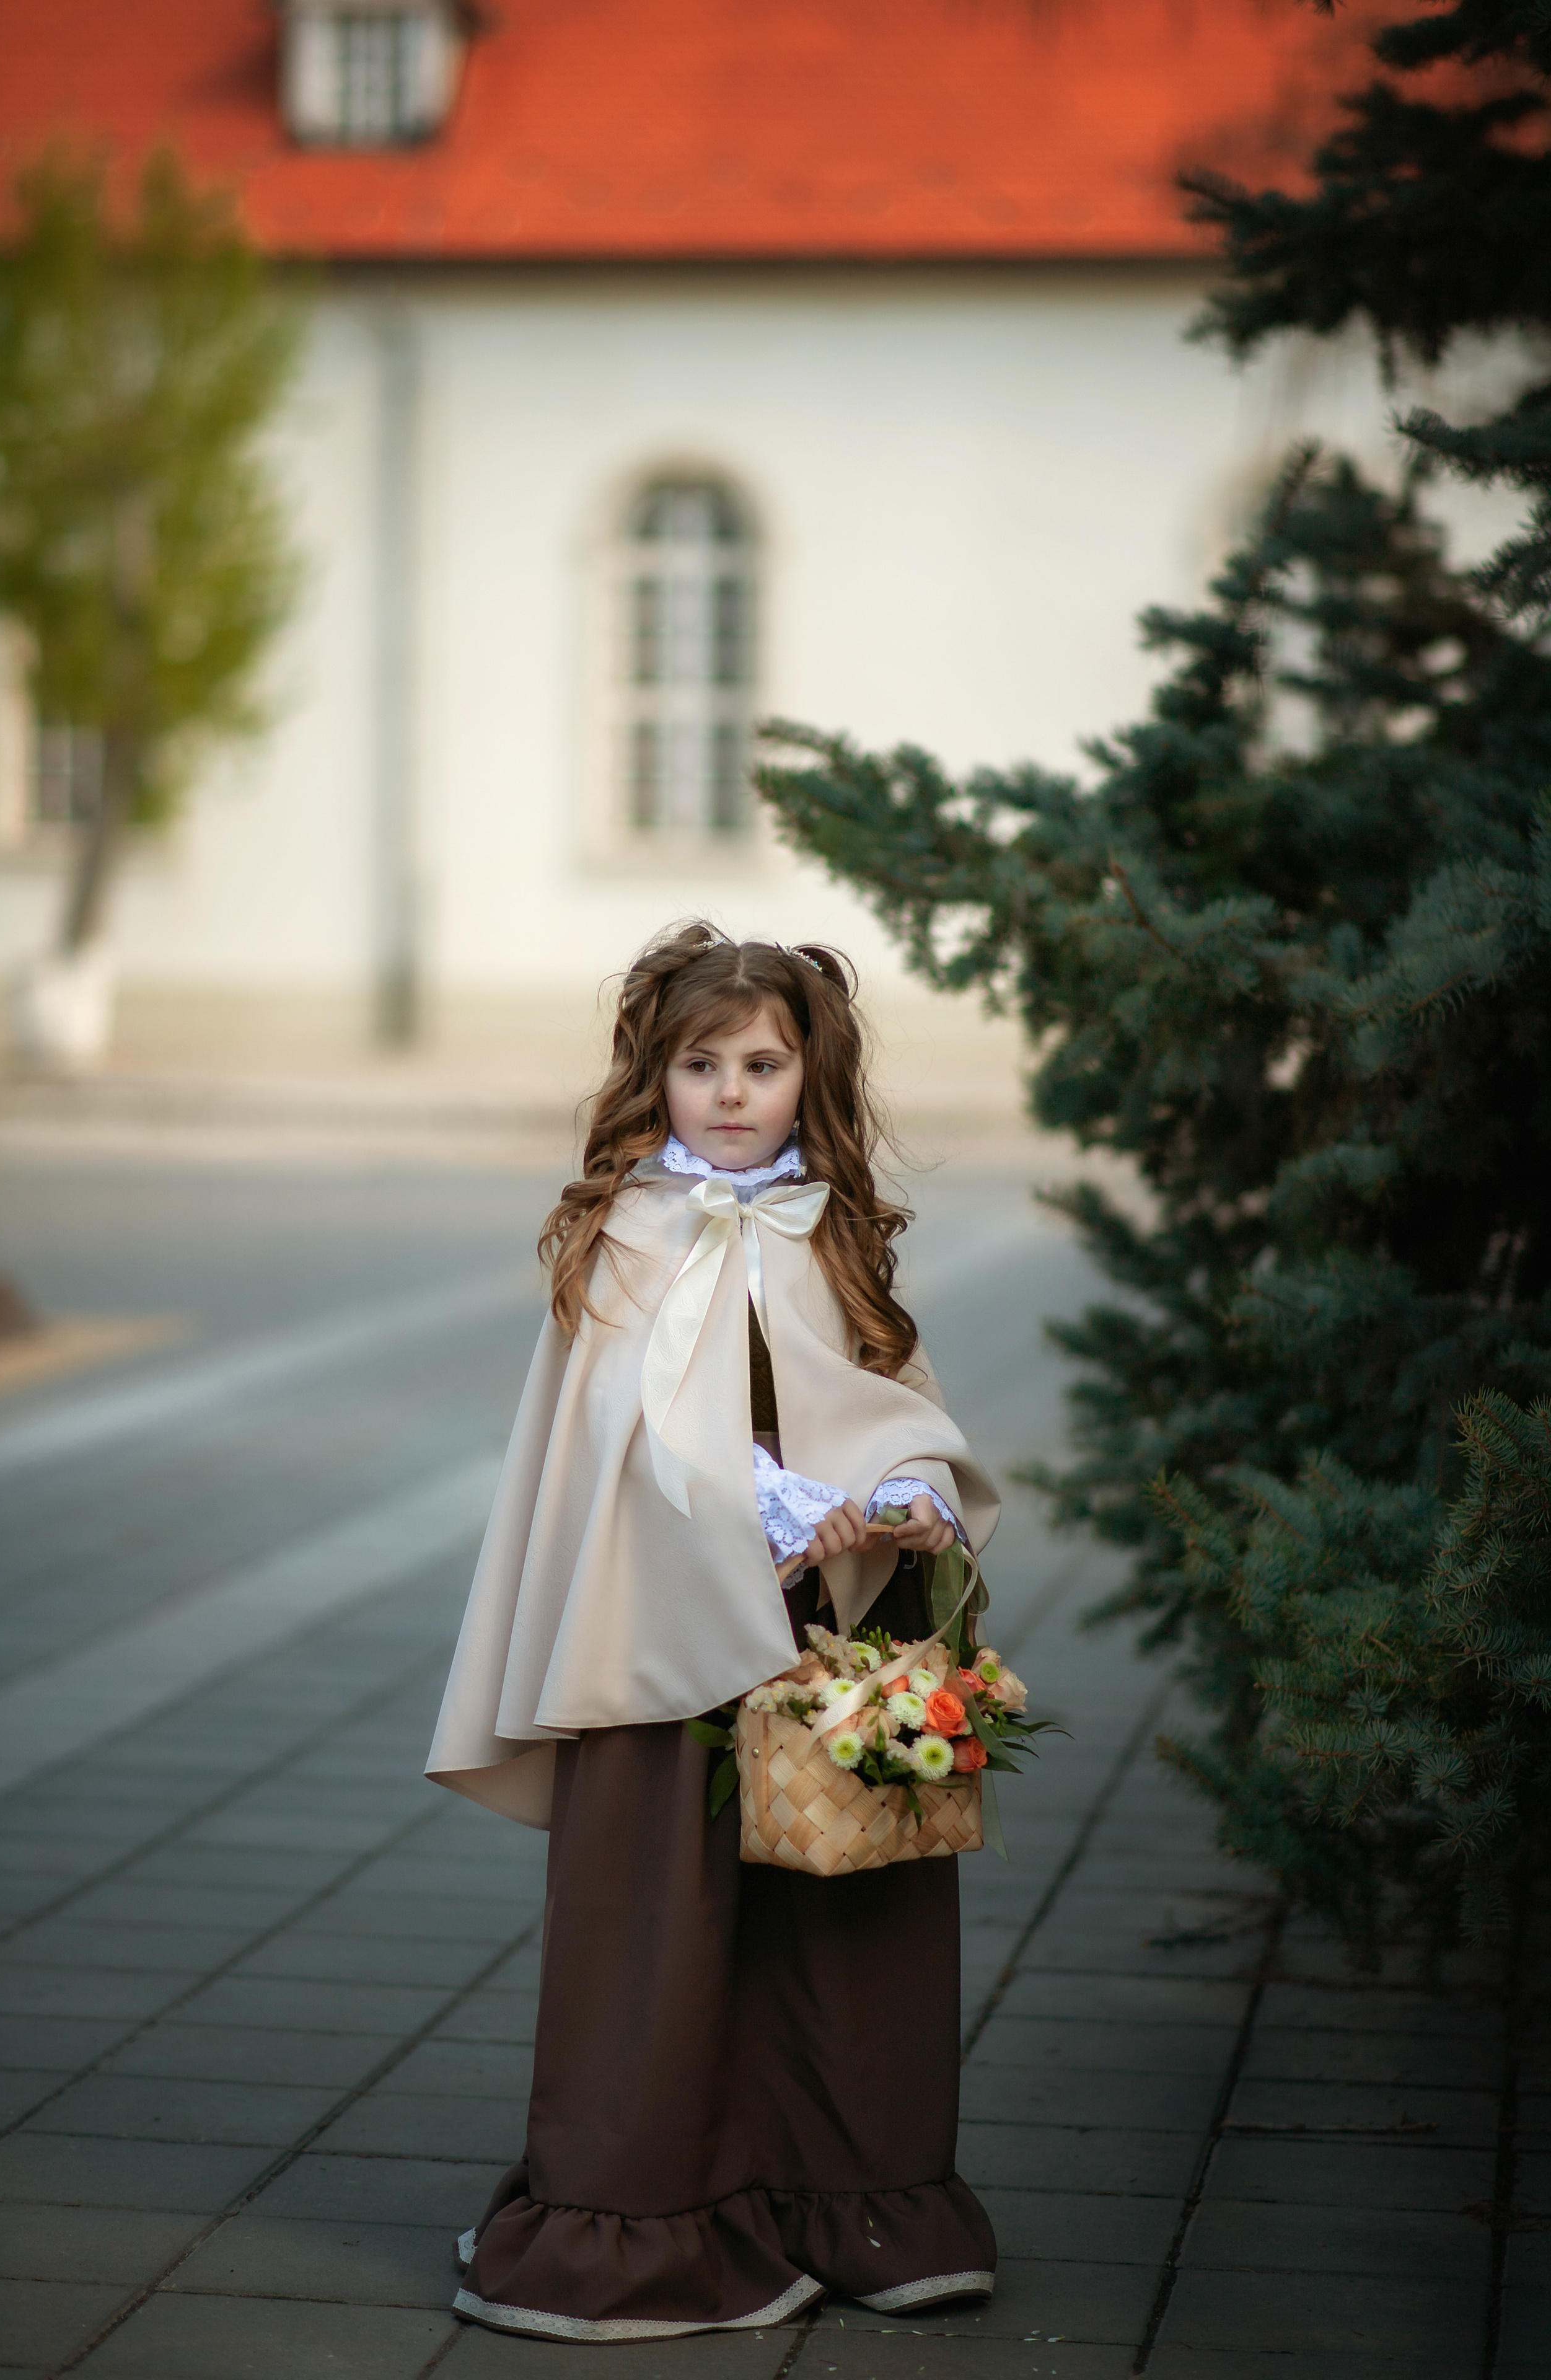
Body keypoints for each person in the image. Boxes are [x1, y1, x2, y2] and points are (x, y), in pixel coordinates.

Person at [427, 922, 1002, 2342]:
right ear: (657, 1076)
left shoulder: (831, 1229)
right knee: (660, 1928)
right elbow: (613, 1445)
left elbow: (895, 1400)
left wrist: (902, 1495)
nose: (731, 1093)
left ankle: (850, 2201)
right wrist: (763, 1506)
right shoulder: (621, 1235)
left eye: (760, 1064)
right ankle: (639, 2222)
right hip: (658, 1628)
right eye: (701, 1066)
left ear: (809, 1077)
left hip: (823, 1628)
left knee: (837, 1921)